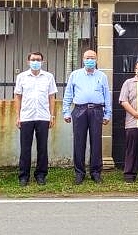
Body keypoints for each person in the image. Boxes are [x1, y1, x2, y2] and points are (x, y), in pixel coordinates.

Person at [63, 50, 112, 185]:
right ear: (83, 59)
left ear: (96, 59)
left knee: (96, 142)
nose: (90, 60)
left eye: (92, 58)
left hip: (97, 110)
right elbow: (68, 94)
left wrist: (108, 113)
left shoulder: (102, 76)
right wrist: (66, 112)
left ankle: (96, 173)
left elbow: (107, 95)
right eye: (87, 58)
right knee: (79, 142)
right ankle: (79, 173)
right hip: (79, 110)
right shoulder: (75, 75)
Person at [14, 52, 58, 187]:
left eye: (38, 60)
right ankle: (24, 176)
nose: (35, 62)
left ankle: (41, 175)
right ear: (28, 62)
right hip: (26, 117)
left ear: (42, 62)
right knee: (25, 148)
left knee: (42, 148)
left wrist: (52, 115)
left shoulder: (49, 77)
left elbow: (51, 97)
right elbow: (17, 97)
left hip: (43, 117)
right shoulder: (21, 77)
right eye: (33, 59)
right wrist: (18, 116)